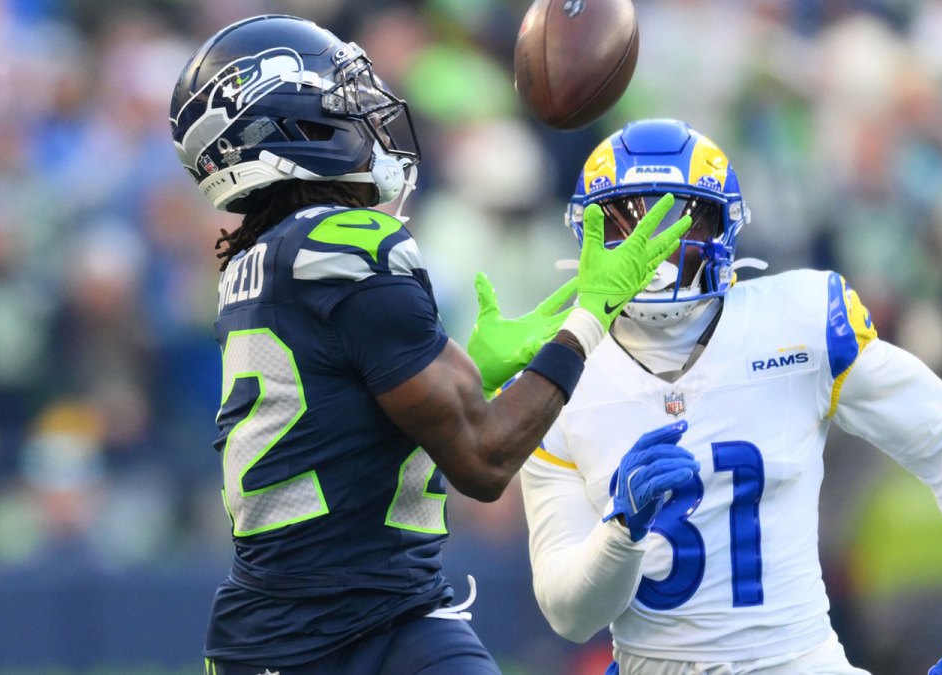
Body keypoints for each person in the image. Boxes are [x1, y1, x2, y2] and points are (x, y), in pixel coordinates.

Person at [168, 15, 690, 675]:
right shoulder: (348, 244)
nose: (371, 120)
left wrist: (473, 368)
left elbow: (358, 400)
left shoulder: (264, 258)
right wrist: (589, 318)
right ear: (291, 129)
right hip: (307, 641)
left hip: (372, 610)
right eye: (344, 104)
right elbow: (483, 460)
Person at [517, 119, 942, 675]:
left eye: (679, 222)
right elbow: (567, 613)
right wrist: (620, 531)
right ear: (587, 235)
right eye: (627, 222)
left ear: (722, 228)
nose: (656, 251)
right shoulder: (562, 372)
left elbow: (940, 431)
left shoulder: (797, 320)